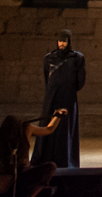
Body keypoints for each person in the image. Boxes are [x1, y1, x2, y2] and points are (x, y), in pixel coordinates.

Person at [31, 30, 85, 168]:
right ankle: (44, 158)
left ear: (69, 42)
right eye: (60, 41)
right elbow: (46, 78)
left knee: (65, 128)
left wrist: (68, 91)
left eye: (65, 41)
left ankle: (66, 160)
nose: (62, 44)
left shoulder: (77, 58)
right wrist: (53, 90)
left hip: (68, 97)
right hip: (51, 97)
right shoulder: (49, 58)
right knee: (47, 124)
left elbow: (80, 81)